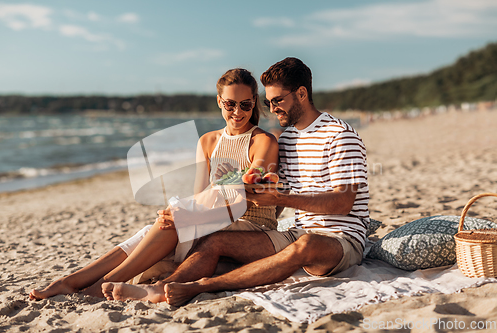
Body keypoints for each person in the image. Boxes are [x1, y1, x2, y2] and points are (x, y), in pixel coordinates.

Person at [100, 57, 370, 306]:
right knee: (216, 242)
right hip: (295, 233)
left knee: (307, 245)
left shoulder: (339, 135)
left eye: (278, 100)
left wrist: (279, 199)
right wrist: (254, 208)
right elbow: (272, 193)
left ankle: (199, 286)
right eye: (268, 102)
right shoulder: (287, 139)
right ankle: (162, 286)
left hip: (341, 240)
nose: (272, 108)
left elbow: (343, 203)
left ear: (301, 93)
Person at [29, 68, 279, 300]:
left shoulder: (262, 141)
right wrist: (185, 212)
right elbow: (199, 194)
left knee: (171, 224)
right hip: (215, 215)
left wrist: (189, 216)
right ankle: (70, 280)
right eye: (230, 104)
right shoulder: (207, 141)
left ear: (254, 102)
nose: (238, 112)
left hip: (251, 223)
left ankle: (97, 285)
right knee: (156, 226)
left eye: (245, 104)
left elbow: (251, 187)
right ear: (218, 102)